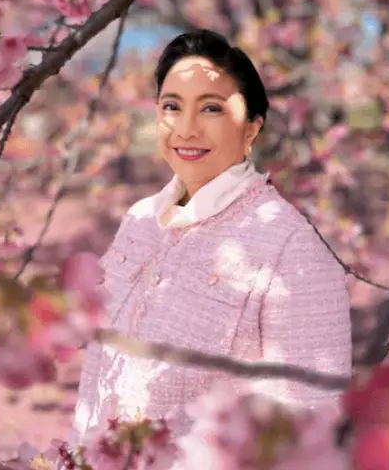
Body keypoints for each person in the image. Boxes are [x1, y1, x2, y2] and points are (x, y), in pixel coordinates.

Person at [69, 30, 352, 460]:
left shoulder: (291, 248)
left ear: (252, 128)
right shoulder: (140, 219)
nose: (186, 128)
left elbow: (306, 438)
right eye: (171, 107)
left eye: (211, 108)